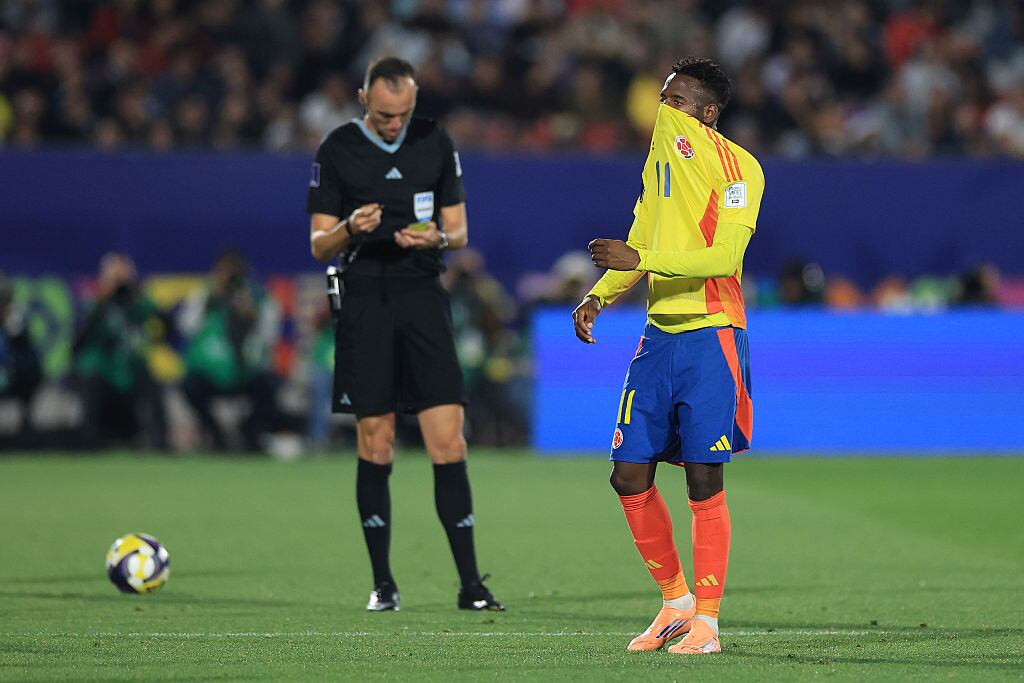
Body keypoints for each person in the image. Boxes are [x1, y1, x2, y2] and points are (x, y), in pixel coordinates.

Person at [572, 57, 765, 655]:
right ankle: (675, 603)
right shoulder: (659, 163)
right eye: (662, 97)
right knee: (627, 474)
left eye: (677, 102)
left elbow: (721, 259)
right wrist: (598, 296)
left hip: (712, 333)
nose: (664, 109)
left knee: (705, 480)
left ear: (706, 114)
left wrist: (642, 262)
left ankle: (707, 620)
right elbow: (640, 231)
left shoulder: (740, 170)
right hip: (658, 337)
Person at [306, 56, 503, 612]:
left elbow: (461, 229)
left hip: (422, 298)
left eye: (405, 113)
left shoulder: (435, 143)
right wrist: (350, 227)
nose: (395, 124)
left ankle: (471, 586)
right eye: (387, 114)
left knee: (449, 439)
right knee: (378, 439)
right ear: (364, 97)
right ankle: (383, 584)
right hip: (365, 297)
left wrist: (436, 237)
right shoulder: (337, 150)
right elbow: (318, 243)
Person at [178, 249, 281, 452]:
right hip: (212, 373)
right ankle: (216, 434)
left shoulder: (258, 297)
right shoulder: (205, 295)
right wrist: (209, 300)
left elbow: (270, 336)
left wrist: (252, 315)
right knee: (189, 385)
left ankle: (250, 432)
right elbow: (186, 326)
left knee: (270, 385)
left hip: (246, 372)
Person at [72, 253, 167, 450]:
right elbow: (78, 342)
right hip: (103, 369)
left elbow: (167, 324)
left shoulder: (137, 302)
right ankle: (87, 442)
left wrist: (135, 292)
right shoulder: (95, 303)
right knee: (91, 381)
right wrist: (103, 298)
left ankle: (160, 444)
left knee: (153, 384)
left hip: (131, 369)